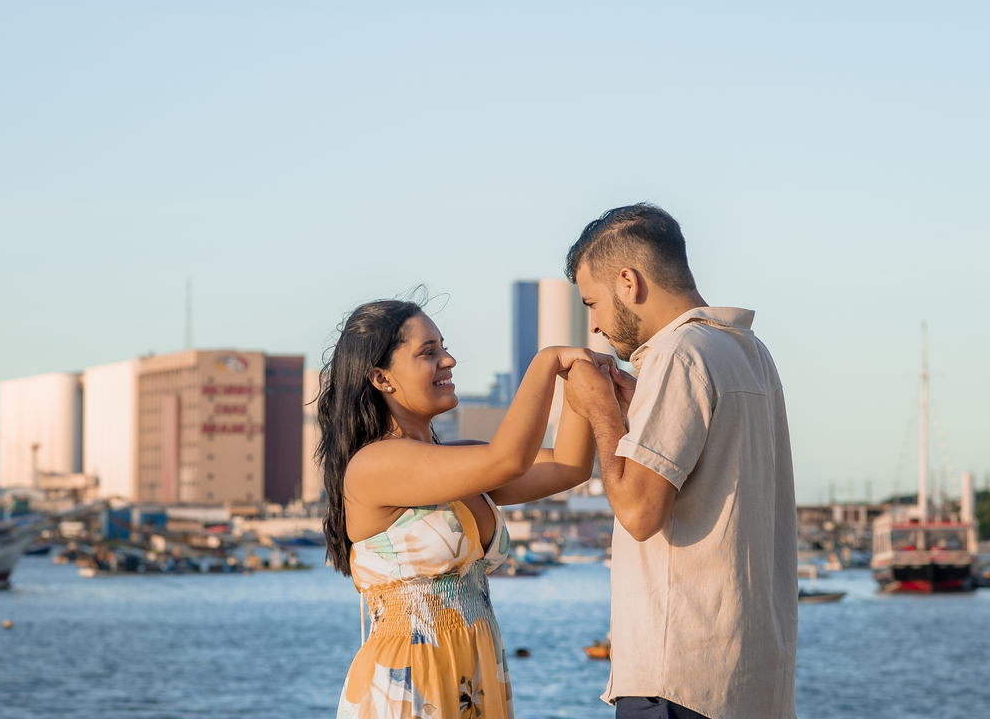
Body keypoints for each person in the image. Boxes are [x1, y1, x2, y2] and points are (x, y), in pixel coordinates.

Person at [319, 297, 614, 719]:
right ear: (382, 378)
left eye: (443, 346)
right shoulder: (374, 464)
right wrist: (548, 362)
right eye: (429, 352)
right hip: (410, 677)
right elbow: (508, 459)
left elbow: (570, 467)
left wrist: (579, 379)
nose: (449, 359)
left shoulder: (457, 464)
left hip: (476, 670)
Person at [563, 204, 798, 719]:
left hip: (679, 678)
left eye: (592, 302)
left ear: (628, 281)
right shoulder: (751, 352)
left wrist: (601, 410)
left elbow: (640, 512)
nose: (597, 328)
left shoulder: (679, 353)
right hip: (752, 680)